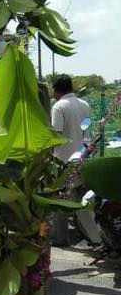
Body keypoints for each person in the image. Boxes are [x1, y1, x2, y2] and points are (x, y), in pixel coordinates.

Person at [50, 75, 91, 246]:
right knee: (83, 199)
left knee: (61, 199)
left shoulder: (59, 106)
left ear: (56, 90)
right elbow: (86, 131)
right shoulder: (85, 105)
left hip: (64, 160)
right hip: (83, 157)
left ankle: (61, 238)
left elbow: (56, 135)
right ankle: (91, 234)